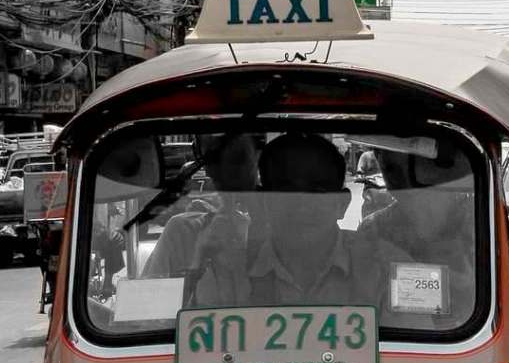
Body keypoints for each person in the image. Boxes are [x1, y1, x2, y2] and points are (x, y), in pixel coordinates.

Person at [247, 132, 403, 307]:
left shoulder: (385, 267)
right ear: (261, 201)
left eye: (317, 192)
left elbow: (409, 330)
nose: (302, 206)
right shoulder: (229, 267)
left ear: (343, 203)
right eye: (287, 191)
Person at [360, 140, 476, 327]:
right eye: (391, 169)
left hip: (465, 338)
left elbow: (506, 303)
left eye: (413, 167)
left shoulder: (479, 221)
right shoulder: (373, 229)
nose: (402, 180)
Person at [141, 133, 259, 304]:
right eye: (216, 159)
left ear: (255, 161)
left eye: (239, 159)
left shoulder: (277, 233)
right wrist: (197, 262)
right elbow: (149, 309)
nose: (230, 170)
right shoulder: (182, 231)